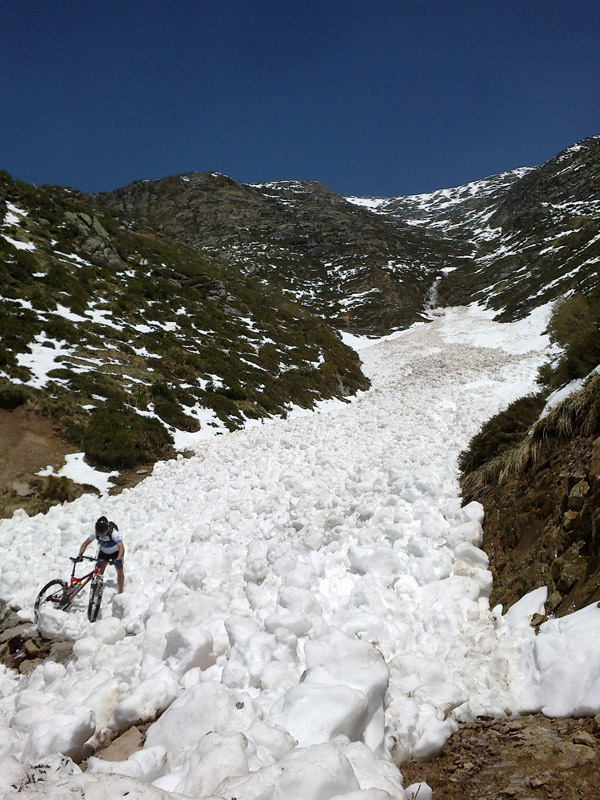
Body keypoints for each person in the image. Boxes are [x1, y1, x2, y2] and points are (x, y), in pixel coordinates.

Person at [78, 516, 125, 593]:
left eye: (103, 533)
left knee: (119, 569)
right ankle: (95, 592)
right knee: (99, 571)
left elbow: (121, 548)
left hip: (116, 553)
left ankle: (120, 591)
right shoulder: (96, 533)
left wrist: (119, 558)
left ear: (107, 529)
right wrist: (80, 554)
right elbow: (85, 543)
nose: (101, 535)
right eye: (99, 533)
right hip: (103, 553)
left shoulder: (114, 533)